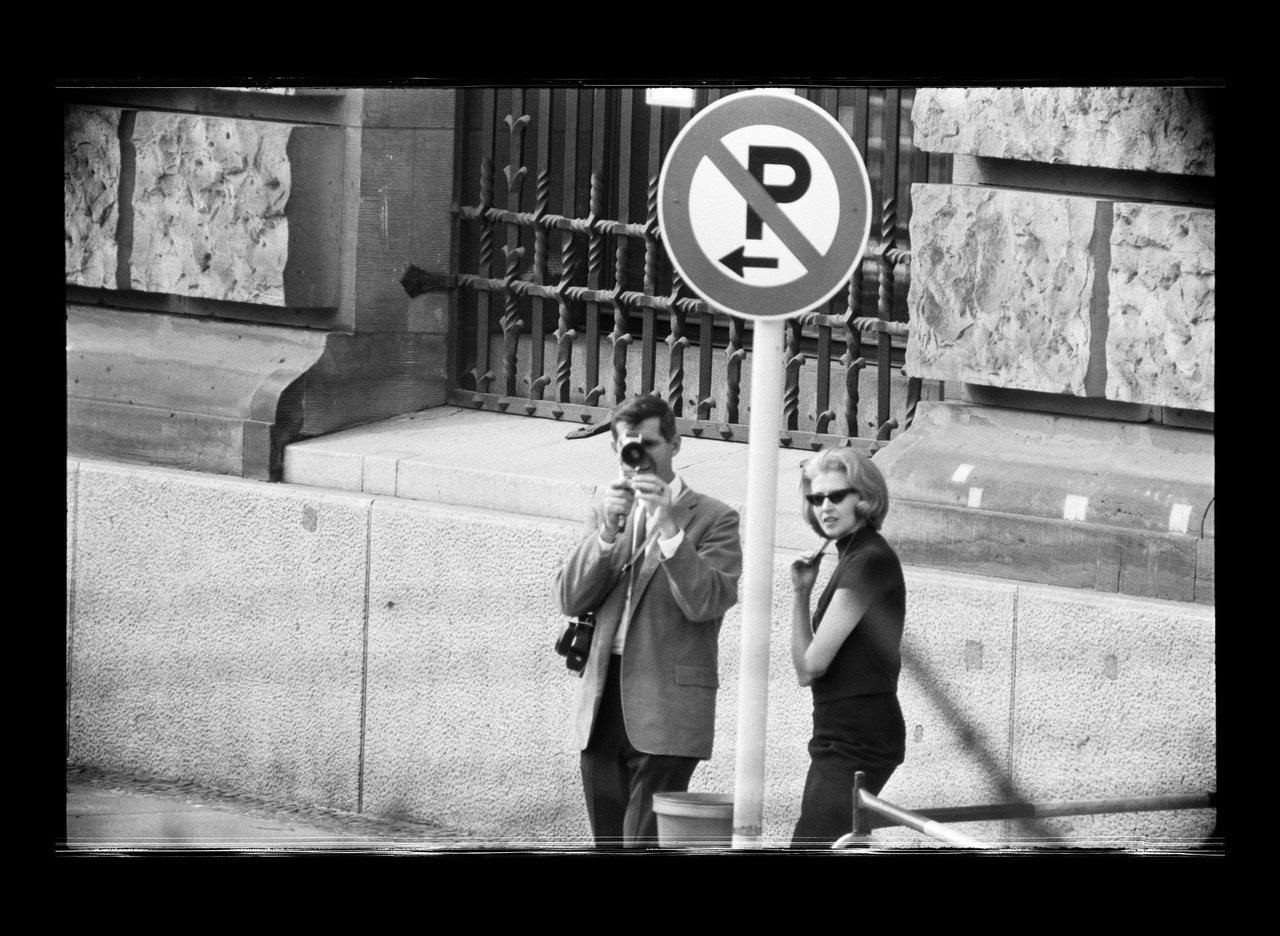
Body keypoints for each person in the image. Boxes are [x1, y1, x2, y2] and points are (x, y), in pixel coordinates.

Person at [553, 394, 742, 848]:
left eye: (651, 444)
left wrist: (669, 528)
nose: (640, 457)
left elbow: (707, 602)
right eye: (628, 447)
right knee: (609, 844)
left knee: (641, 845)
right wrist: (605, 535)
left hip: (667, 705)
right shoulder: (609, 511)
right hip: (602, 701)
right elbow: (568, 596)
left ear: (675, 445)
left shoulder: (715, 517)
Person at [786, 447, 906, 849]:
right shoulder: (851, 557)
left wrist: (802, 598)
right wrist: (801, 592)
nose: (825, 507)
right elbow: (807, 670)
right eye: (816, 499)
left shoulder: (868, 559)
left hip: (860, 736)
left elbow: (811, 666)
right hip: (838, 731)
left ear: (865, 498)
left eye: (837, 496)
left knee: (811, 846)